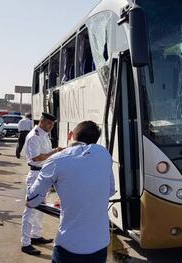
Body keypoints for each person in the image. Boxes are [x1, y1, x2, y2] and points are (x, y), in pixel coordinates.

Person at [27, 121, 115, 263]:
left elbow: (32, 200)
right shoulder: (104, 155)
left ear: (70, 135)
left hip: (69, 245)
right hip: (100, 243)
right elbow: (110, 190)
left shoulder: (56, 160)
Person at [21, 112, 63, 256]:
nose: (51, 126)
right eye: (49, 123)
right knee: (31, 208)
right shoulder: (34, 136)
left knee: (41, 208)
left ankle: (36, 236)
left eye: (53, 124)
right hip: (35, 175)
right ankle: (25, 243)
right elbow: (37, 157)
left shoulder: (44, 134)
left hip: (44, 174)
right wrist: (55, 151)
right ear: (42, 121)